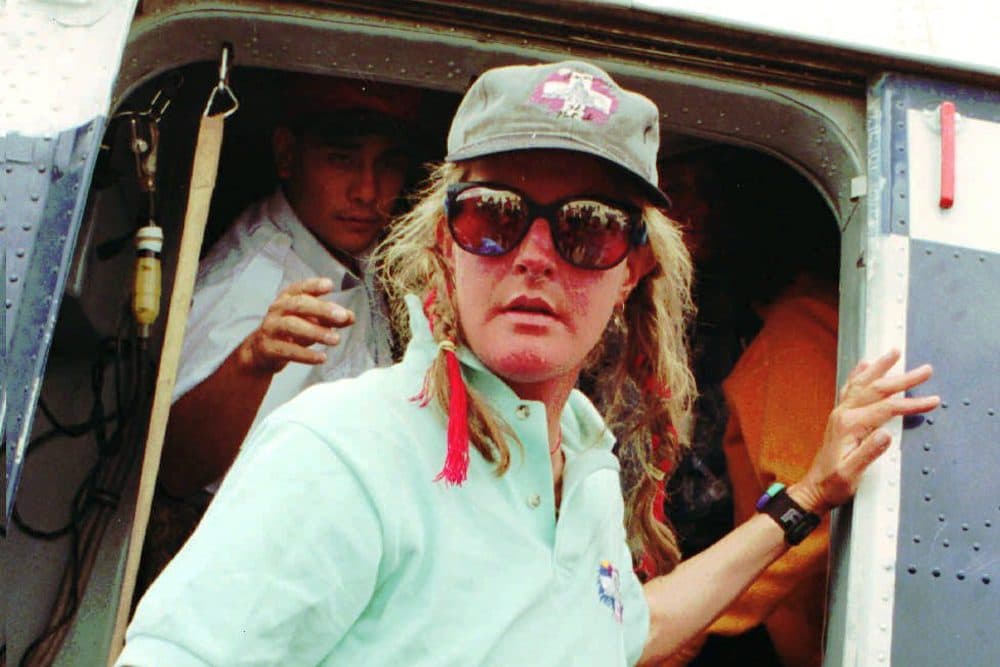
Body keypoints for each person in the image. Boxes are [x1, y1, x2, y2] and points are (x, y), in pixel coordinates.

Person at [116, 60, 938, 667]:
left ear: (631, 272)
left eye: (585, 226)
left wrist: (806, 497)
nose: (535, 257)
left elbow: (618, 631)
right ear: (446, 243)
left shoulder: (579, 454)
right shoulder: (344, 450)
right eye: (495, 217)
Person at [136, 75, 423, 594]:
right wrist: (252, 360)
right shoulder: (252, 282)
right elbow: (174, 471)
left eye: (388, 164)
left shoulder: (344, 244)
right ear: (288, 155)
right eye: (342, 159)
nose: (367, 190)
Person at [655, 148, 843, 666]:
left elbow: (809, 517)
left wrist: (697, 615)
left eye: (710, 194)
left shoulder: (798, 329)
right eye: (674, 190)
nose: (696, 215)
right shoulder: (746, 320)